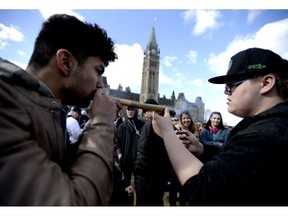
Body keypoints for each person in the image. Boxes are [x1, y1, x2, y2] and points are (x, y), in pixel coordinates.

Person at [0, 14, 121, 205]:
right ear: (65, 62)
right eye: (98, 71)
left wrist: (95, 123)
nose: (100, 85)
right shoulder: (5, 105)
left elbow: (58, 168)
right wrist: (102, 123)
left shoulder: (49, 108)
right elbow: (73, 203)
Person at [151, 47, 288, 205]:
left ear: (266, 83)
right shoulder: (266, 124)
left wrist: (168, 133)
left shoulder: (267, 137)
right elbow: (237, 162)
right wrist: (202, 149)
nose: (227, 92)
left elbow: (204, 191)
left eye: (232, 85)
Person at [134, 98, 172, 206]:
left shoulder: (156, 125)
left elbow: (146, 152)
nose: (144, 113)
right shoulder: (148, 125)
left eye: (146, 110)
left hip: (150, 177)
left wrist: (139, 170)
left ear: (153, 110)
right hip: (149, 176)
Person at [114, 106, 145, 205]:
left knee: (139, 188)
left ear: (136, 111)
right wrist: (119, 153)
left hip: (138, 162)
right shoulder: (122, 126)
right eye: (128, 109)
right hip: (125, 161)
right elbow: (116, 142)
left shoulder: (141, 125)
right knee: (126, 188)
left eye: (132, 110)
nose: (130, 112)